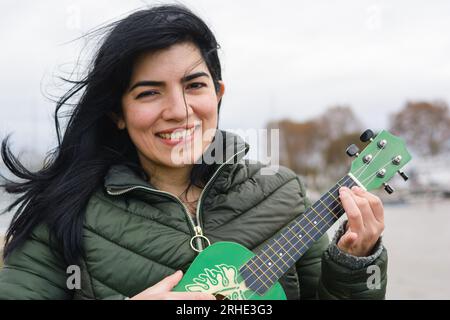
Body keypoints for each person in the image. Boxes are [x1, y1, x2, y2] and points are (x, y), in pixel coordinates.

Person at [0, 4, 387, 300]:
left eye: (194, 85)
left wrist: (352, 264)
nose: (179, 111)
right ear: (118, 113)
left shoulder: (283, 193)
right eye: (149, 92)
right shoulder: (64, 212)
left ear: (218, 94)